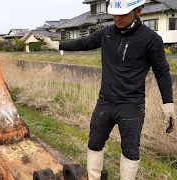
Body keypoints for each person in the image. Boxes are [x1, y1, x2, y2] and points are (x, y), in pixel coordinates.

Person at [35, 0, 176, 179]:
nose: (117, 18)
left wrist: (168, 104)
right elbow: (83, 43)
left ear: (138, 11)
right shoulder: (107, 33)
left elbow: (162, 72)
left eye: (123, 14)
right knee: (94, 142)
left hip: (131, 105)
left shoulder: (151, 39)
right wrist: (57, 45)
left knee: (130, 149)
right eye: (115, 13)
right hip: (105, 101)